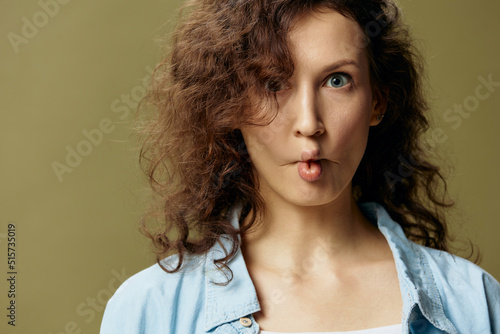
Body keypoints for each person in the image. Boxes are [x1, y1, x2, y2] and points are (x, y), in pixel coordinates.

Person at [100, 0, 500, 333]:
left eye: (337, 81)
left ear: (378, 101)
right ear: (230, 104)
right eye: (273, 83)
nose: (309, 123)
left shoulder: (474, 303)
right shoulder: (149, 311)